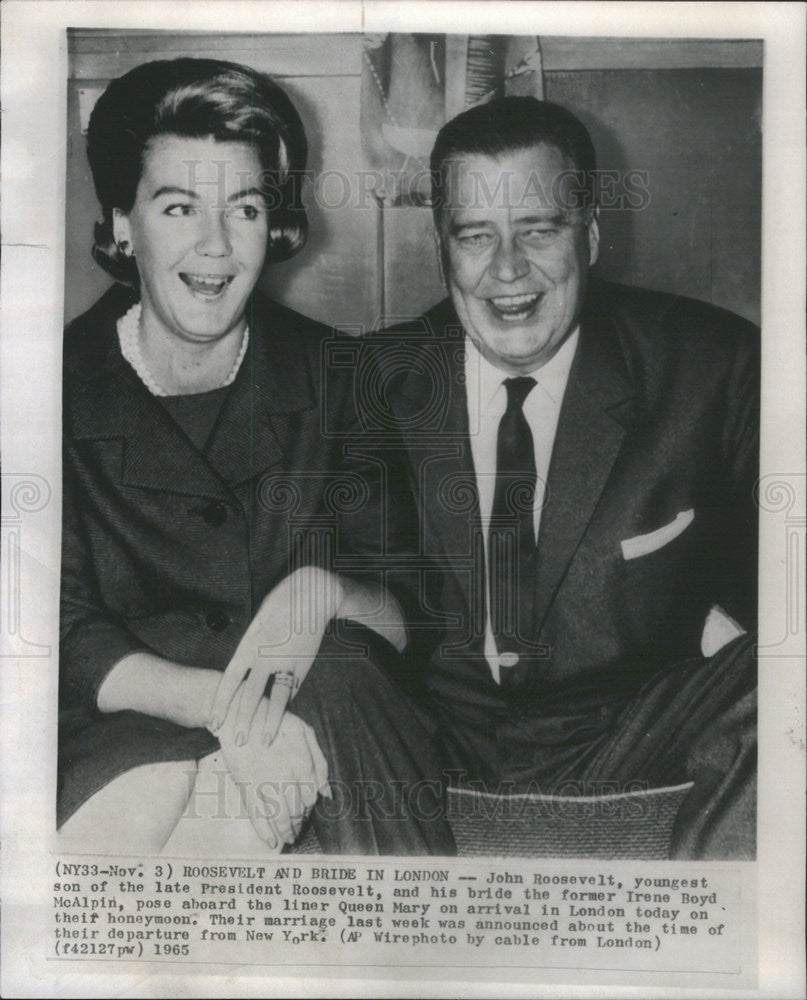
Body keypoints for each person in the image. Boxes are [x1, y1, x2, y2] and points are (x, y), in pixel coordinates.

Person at [288, 96, 758, 858]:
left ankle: (706, 943)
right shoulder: (375, 378)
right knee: (328, 656)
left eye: (539, 229)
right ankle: (406, 955)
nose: (508, 270)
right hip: (429, 737)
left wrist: (728, 608)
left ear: (592, 234)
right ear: (442, 250)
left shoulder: (713, 364)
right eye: (475, 235)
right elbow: (359, 577)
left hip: (633, 729)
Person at [57, 57, 411, 854]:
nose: (215, 246)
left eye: (243, 208)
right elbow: (53, 629)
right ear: (121, 223)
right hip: (122, 727)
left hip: (333, 715)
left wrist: (319, 592)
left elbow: (410, 610)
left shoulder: (342, 377)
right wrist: (233, 715)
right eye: (179, 206)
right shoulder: (43, 388)